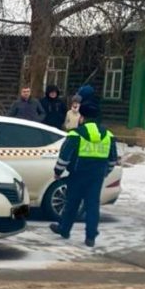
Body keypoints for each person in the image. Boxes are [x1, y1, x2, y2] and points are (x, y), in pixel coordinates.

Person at [49, 102, 118, 247]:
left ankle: (64, 229)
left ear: (82, 117)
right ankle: (91, 237)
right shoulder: (108, 135)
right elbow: (113, 159)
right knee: (92, 205)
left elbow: (65, 156)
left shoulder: (76, 134)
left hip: (77, 173)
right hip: (96, 176)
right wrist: (105, 172)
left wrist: (58, 171)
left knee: (72, 202)